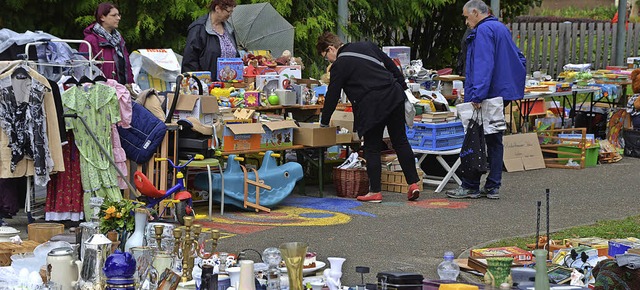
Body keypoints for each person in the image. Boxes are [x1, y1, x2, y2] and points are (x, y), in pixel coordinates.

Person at [316, 32, 421, 203]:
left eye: (326, 57)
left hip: (371, 104)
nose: (328, 60)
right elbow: (392, 66)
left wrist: (324, 121)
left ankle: (375, 192)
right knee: (400, 140)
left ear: (331, 49)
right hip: (393, 95)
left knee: (372, 147)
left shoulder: (339, 65)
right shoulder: (367, 45)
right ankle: (413, 184)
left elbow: (333, 95)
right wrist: (403, 88)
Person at [446, 0, 526, 200]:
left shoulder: (483, 31)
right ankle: (493, 186)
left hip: (487, 93)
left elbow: (483, 65)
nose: (466, 21)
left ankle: (470, 185)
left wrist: (477, 94)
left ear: (475, 12)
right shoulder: (500, 28)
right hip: (501, 92)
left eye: (466, 16)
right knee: (494, 139)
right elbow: (519, 58)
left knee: (474, 138)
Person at [182, 0, 239, 80]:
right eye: (228, 11)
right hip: (206, 84)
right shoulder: (198, 28)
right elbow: (189, 61)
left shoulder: (229, 29)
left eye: (231, 11)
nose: (230, 15)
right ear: (217, 9)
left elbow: (236, 56)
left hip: (230, 84)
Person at [79, 2, 134, 84]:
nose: (118, 18)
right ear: (102, 17)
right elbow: (82, 70)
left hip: (124, 91)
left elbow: (127, 67)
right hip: (102, 92)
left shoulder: (119, 40)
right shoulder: (90, 41)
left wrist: (131, 85)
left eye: (119, 15)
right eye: (114, 15)